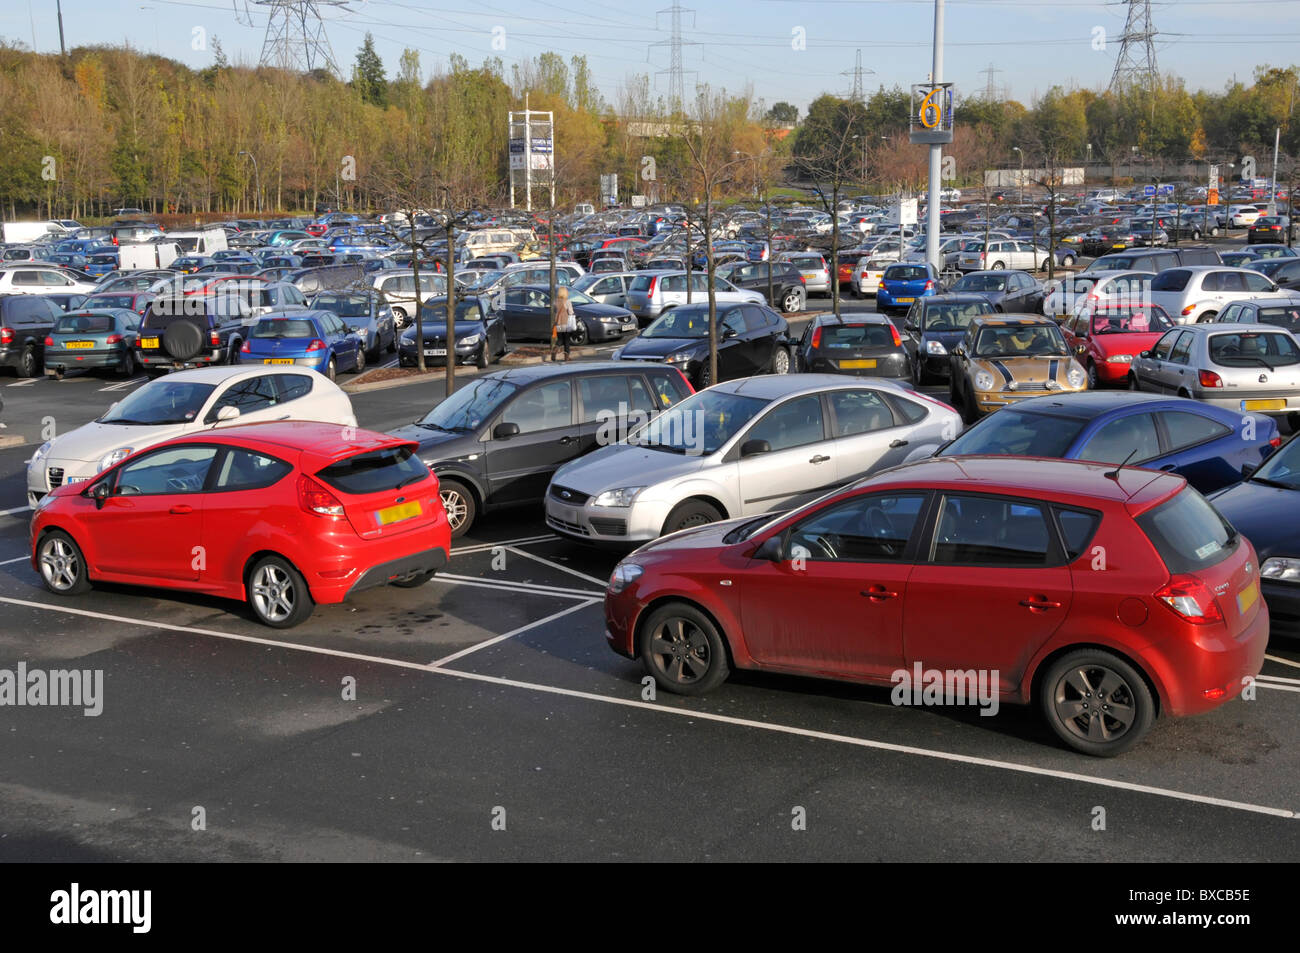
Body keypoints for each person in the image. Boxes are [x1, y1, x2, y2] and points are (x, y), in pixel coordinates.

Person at [552, 286, 578, 361]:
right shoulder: (567, 301)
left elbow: (554, 311)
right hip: (565, 323)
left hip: (558, 323)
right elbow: (570, 312)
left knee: (560, 339)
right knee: (566, 340)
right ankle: (566, 356)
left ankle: (555, 349)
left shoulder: (555, 301)